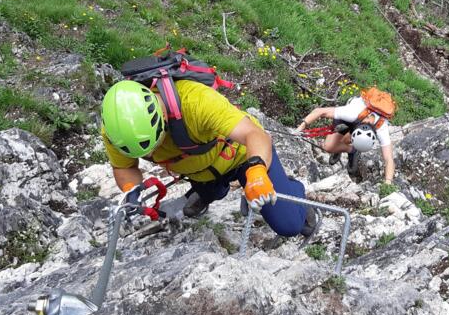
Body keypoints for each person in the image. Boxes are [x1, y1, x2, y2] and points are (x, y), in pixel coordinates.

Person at [100, 79, 317, 238]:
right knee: (212, 191)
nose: (154, 152)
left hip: (243, 157)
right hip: (198, 171)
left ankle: (294, 189)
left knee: (289, 225)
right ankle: (208, 192)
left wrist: (257, 173)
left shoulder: (196, 102)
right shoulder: (118, 131)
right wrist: (131, 191)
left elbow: (255, 135)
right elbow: (124, 167)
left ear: (162, 116)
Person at [296, 94, 396, 184]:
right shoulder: (351, 113)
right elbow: (319, 111)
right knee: (328, 147)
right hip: (347, 119)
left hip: (358, 123)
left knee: (344, 140)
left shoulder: (382, 128)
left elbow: (388, 159)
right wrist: (300, 128)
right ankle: (349, 145)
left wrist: (388, 182)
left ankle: (351, 148)